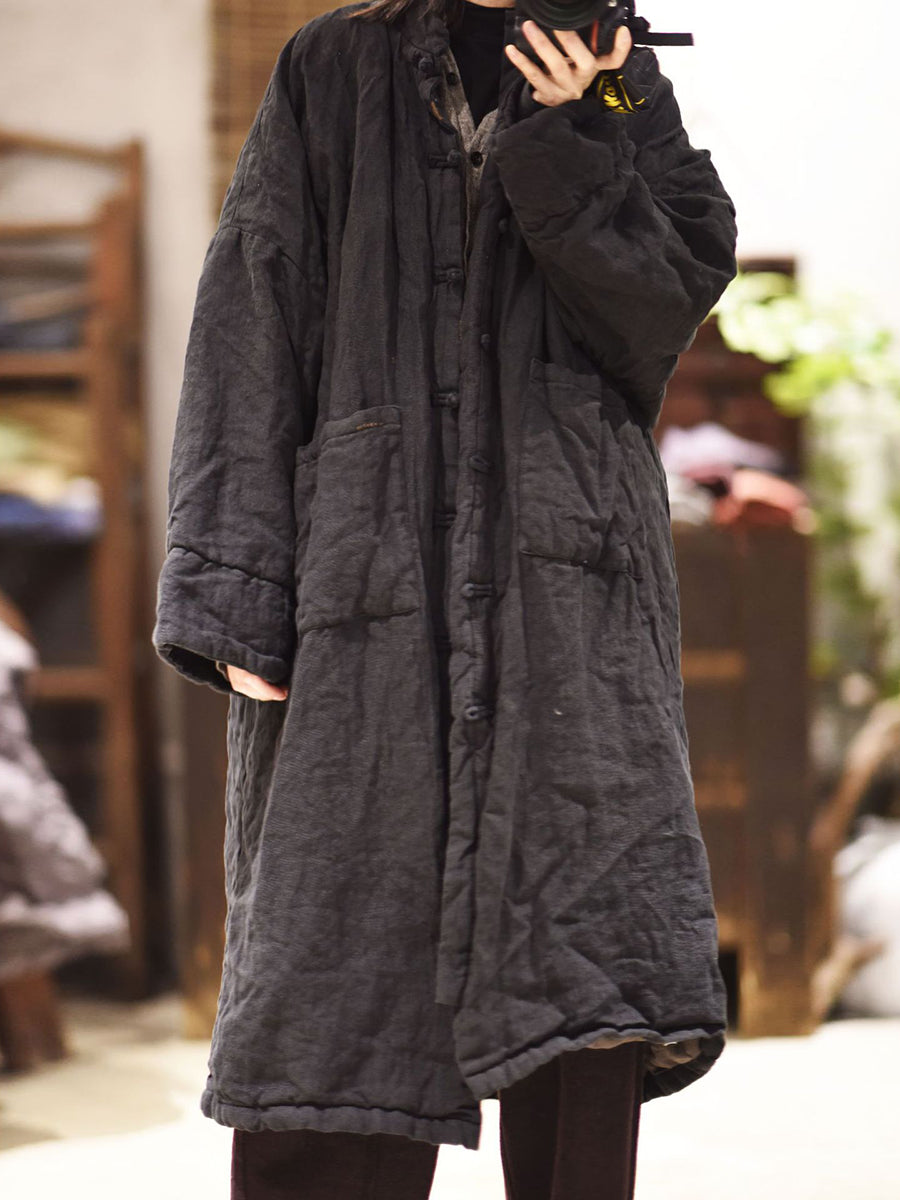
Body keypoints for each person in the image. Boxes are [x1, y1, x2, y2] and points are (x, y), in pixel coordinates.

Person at [152, 1, 738, 1197]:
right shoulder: (334, 65)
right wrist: (232, 581)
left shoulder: (615, 72)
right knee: (335, 963)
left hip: (569, 582)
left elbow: (661, 309)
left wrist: (573, 129)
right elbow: (254, 300)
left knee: (581, 950)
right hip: (362, 573)